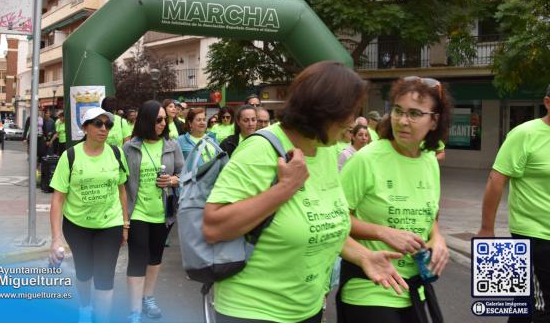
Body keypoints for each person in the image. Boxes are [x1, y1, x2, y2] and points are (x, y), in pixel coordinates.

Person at [203, 61, 408, 323]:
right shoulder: (260, 150)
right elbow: (213, 226)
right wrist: (285, 188)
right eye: (348, 111)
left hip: (307, 309)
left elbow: (320, 224)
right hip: (253, 311)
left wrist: (364, 256)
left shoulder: (325, 150)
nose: (352, 121)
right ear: (323, 110)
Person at [338, 76, 451, 322]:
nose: (402, 121)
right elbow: (333, 219)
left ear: (434, 121)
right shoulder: (366, 160)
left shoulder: (430, 161)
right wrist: (382, 232)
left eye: (414, 114)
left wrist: (437, 238)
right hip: (370, 288)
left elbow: (429, 214)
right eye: (398, 111)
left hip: (414, 290)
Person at [48, 107, 129, 323]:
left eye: (108, 124)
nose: (104, 128)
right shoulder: (70, 156)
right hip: (77, 225)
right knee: (84, 273)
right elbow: (57, 199)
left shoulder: (116, 153)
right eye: (98, 124)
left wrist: (125, 224)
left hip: (109, 224)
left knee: (104, 277)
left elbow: (122, 190)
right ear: (85, 128)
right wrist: (56, 239)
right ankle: (84, 307)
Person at [478, 84, 550, 323]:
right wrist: (487, 229)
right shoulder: (524, 134)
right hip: (533, 234)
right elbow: (496, 180)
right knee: (538, 307)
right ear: (548, 103)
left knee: (522, 305)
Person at [122, 100, 184, 323]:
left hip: (163, 213)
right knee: (137, 259)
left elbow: (183, 174)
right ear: (147, 120)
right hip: (137, 212)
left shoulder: (171, 145)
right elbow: (121, 181)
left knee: (155, 258)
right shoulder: (129, 147)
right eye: (158, 119)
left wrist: (173, 180)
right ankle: (135, 311)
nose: (163, 123)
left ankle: (148, 297)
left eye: (164, 119)